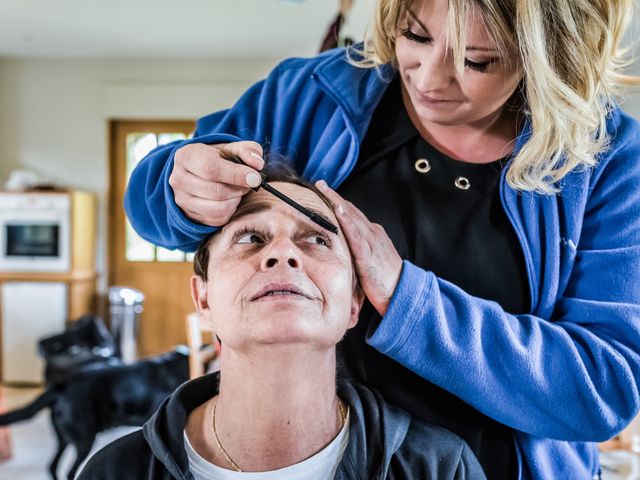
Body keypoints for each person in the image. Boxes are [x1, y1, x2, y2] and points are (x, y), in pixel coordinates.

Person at [123, 0, 640, 477]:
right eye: (414, 35)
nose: (428, 78)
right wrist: (178, 185)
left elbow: (601, 390)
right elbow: (154, 205)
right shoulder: (314, 94)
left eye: (478, 62)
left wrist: (406, 300)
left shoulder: (606, 160)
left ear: (547, 59)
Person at [79, 171, 486, 479]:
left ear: (353, 303)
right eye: (251, 238)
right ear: (203, 298)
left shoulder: (440, 468)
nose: (283, 255)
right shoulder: (115, 470)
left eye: (316, 239)